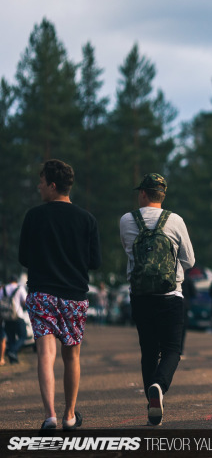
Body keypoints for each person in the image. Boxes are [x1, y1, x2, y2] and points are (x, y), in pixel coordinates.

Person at [19, 159, 102, 432]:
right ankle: (69, 415)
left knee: (45, 354)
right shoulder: (87, 219)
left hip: (42, 293)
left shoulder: (33, 216)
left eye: (41, 181)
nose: (38, 186)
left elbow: (23, 258)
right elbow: (94, 262)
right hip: (74, 295)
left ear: (52, 186)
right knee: (72, 356)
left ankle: (50, 416)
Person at [119, 173, 195, 426]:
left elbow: (130, 252)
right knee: (172, 349)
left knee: (148, 351)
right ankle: (158, 386)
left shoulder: (126, 220)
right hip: (170, 296)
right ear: (162, 195)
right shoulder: (175, 220)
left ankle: (151, 405)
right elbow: (190, 260)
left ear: (143, 193)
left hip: (140, 296)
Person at [1, 275, 29, 364]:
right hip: (18, 316)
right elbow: (25, 301)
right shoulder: (19, 288)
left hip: (6, 318)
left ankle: (13, 359)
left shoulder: (3, 289)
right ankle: (12, 351)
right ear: (16, 281)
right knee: (23, 336)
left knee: (11, 338)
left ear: (9, 280)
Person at [179, 273, 197, 358]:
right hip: (184, 304)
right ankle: (180, 350)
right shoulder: (187, 279)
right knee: (182, 329)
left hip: (170, 303)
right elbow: (194, 293)